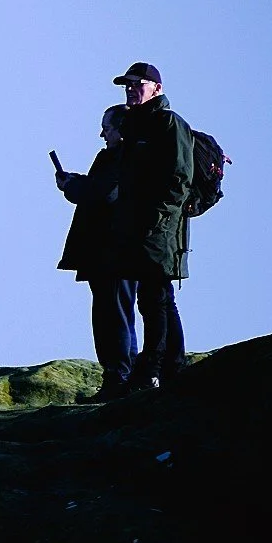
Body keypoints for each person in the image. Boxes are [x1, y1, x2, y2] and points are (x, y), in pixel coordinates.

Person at [112, 62, 194, 392]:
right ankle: (173, 365)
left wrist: (157, 219)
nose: (131, 89)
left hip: (160, 229)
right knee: (157, 297)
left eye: (137, 84)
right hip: (141, 227)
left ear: (156, 88)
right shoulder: (136, 126)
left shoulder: (168, 123)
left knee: (155, 297)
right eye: (126, 85)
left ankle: (153, 368)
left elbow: (180, 178)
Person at [56, 104, 137, 402]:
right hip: (115, 250)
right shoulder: (124, 157)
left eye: (108, 127)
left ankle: (118, 378)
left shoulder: (120, 157)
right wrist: (77, 183)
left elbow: (105, 193)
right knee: (118, 312)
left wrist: (74, 186)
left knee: (111, 314)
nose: (103, 133)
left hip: (111, 251)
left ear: (121, 129)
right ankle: (123, 375)